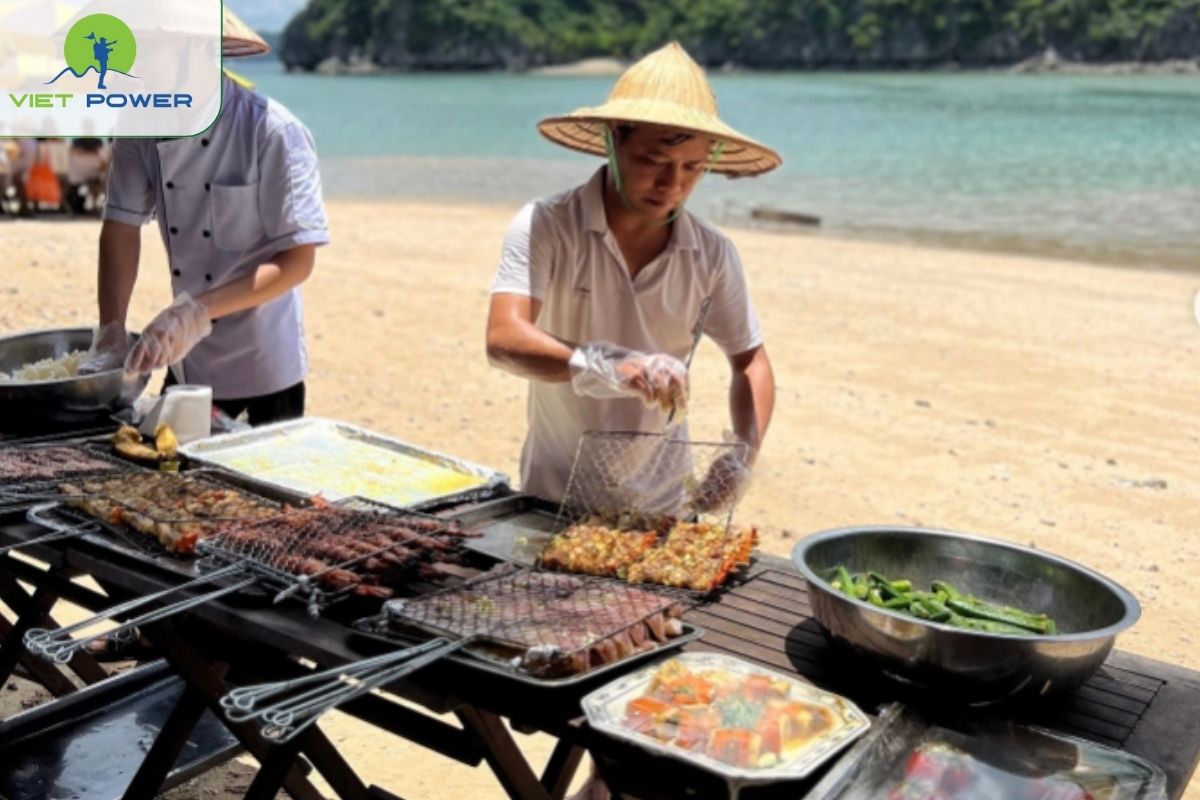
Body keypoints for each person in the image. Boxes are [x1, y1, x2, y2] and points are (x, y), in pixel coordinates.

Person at [485, 42, 779, 512]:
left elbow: (750, 360)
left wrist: (743, 452)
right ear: (613, 141)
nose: (673, 184)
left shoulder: (711, 254)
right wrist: (604, 362)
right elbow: (503, 338)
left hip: (665, 502)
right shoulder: (546, 225)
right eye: (652, 161)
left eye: (692, 168)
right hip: (552, 493)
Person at [79, 9, 330, 427]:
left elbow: (297, 262)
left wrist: (194, 312)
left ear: (194, 49)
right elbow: (120, 228)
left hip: (262, 364)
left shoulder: (271, 132)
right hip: (186, 360)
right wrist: (112, 329)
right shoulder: (139, 125)